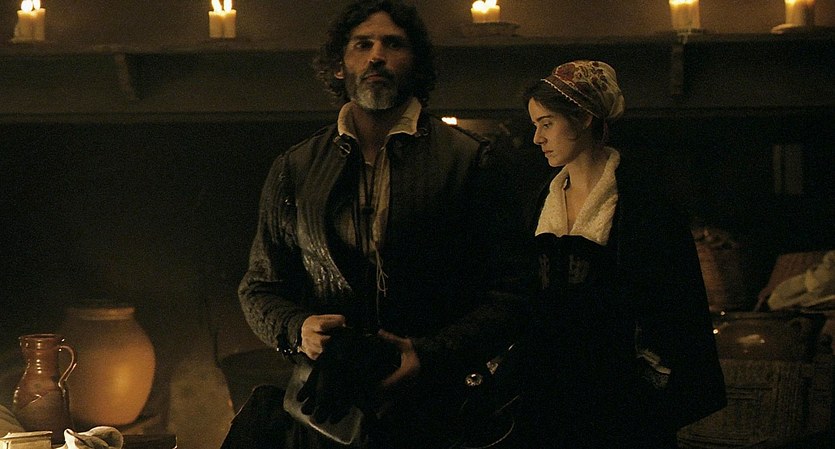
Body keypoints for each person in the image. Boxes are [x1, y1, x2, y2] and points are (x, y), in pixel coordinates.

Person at [225, 1, 528, 448]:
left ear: (415, 63)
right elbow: (259, 288)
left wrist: (428, 355)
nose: (377, 56)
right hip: (329, 406)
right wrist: (298, 328)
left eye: (394, 44)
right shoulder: (296, 168)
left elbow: (513, 293)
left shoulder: (471, 161)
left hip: (439, 409)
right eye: (362, 45)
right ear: (339, 66)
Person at [515, 60, 727, 448]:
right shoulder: (538, 202)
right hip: (547, 390)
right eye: (535, 125)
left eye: (546, 123)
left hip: (619, 395)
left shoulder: (643, 202)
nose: (537, 138)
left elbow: (675, 303)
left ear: (584, 117)